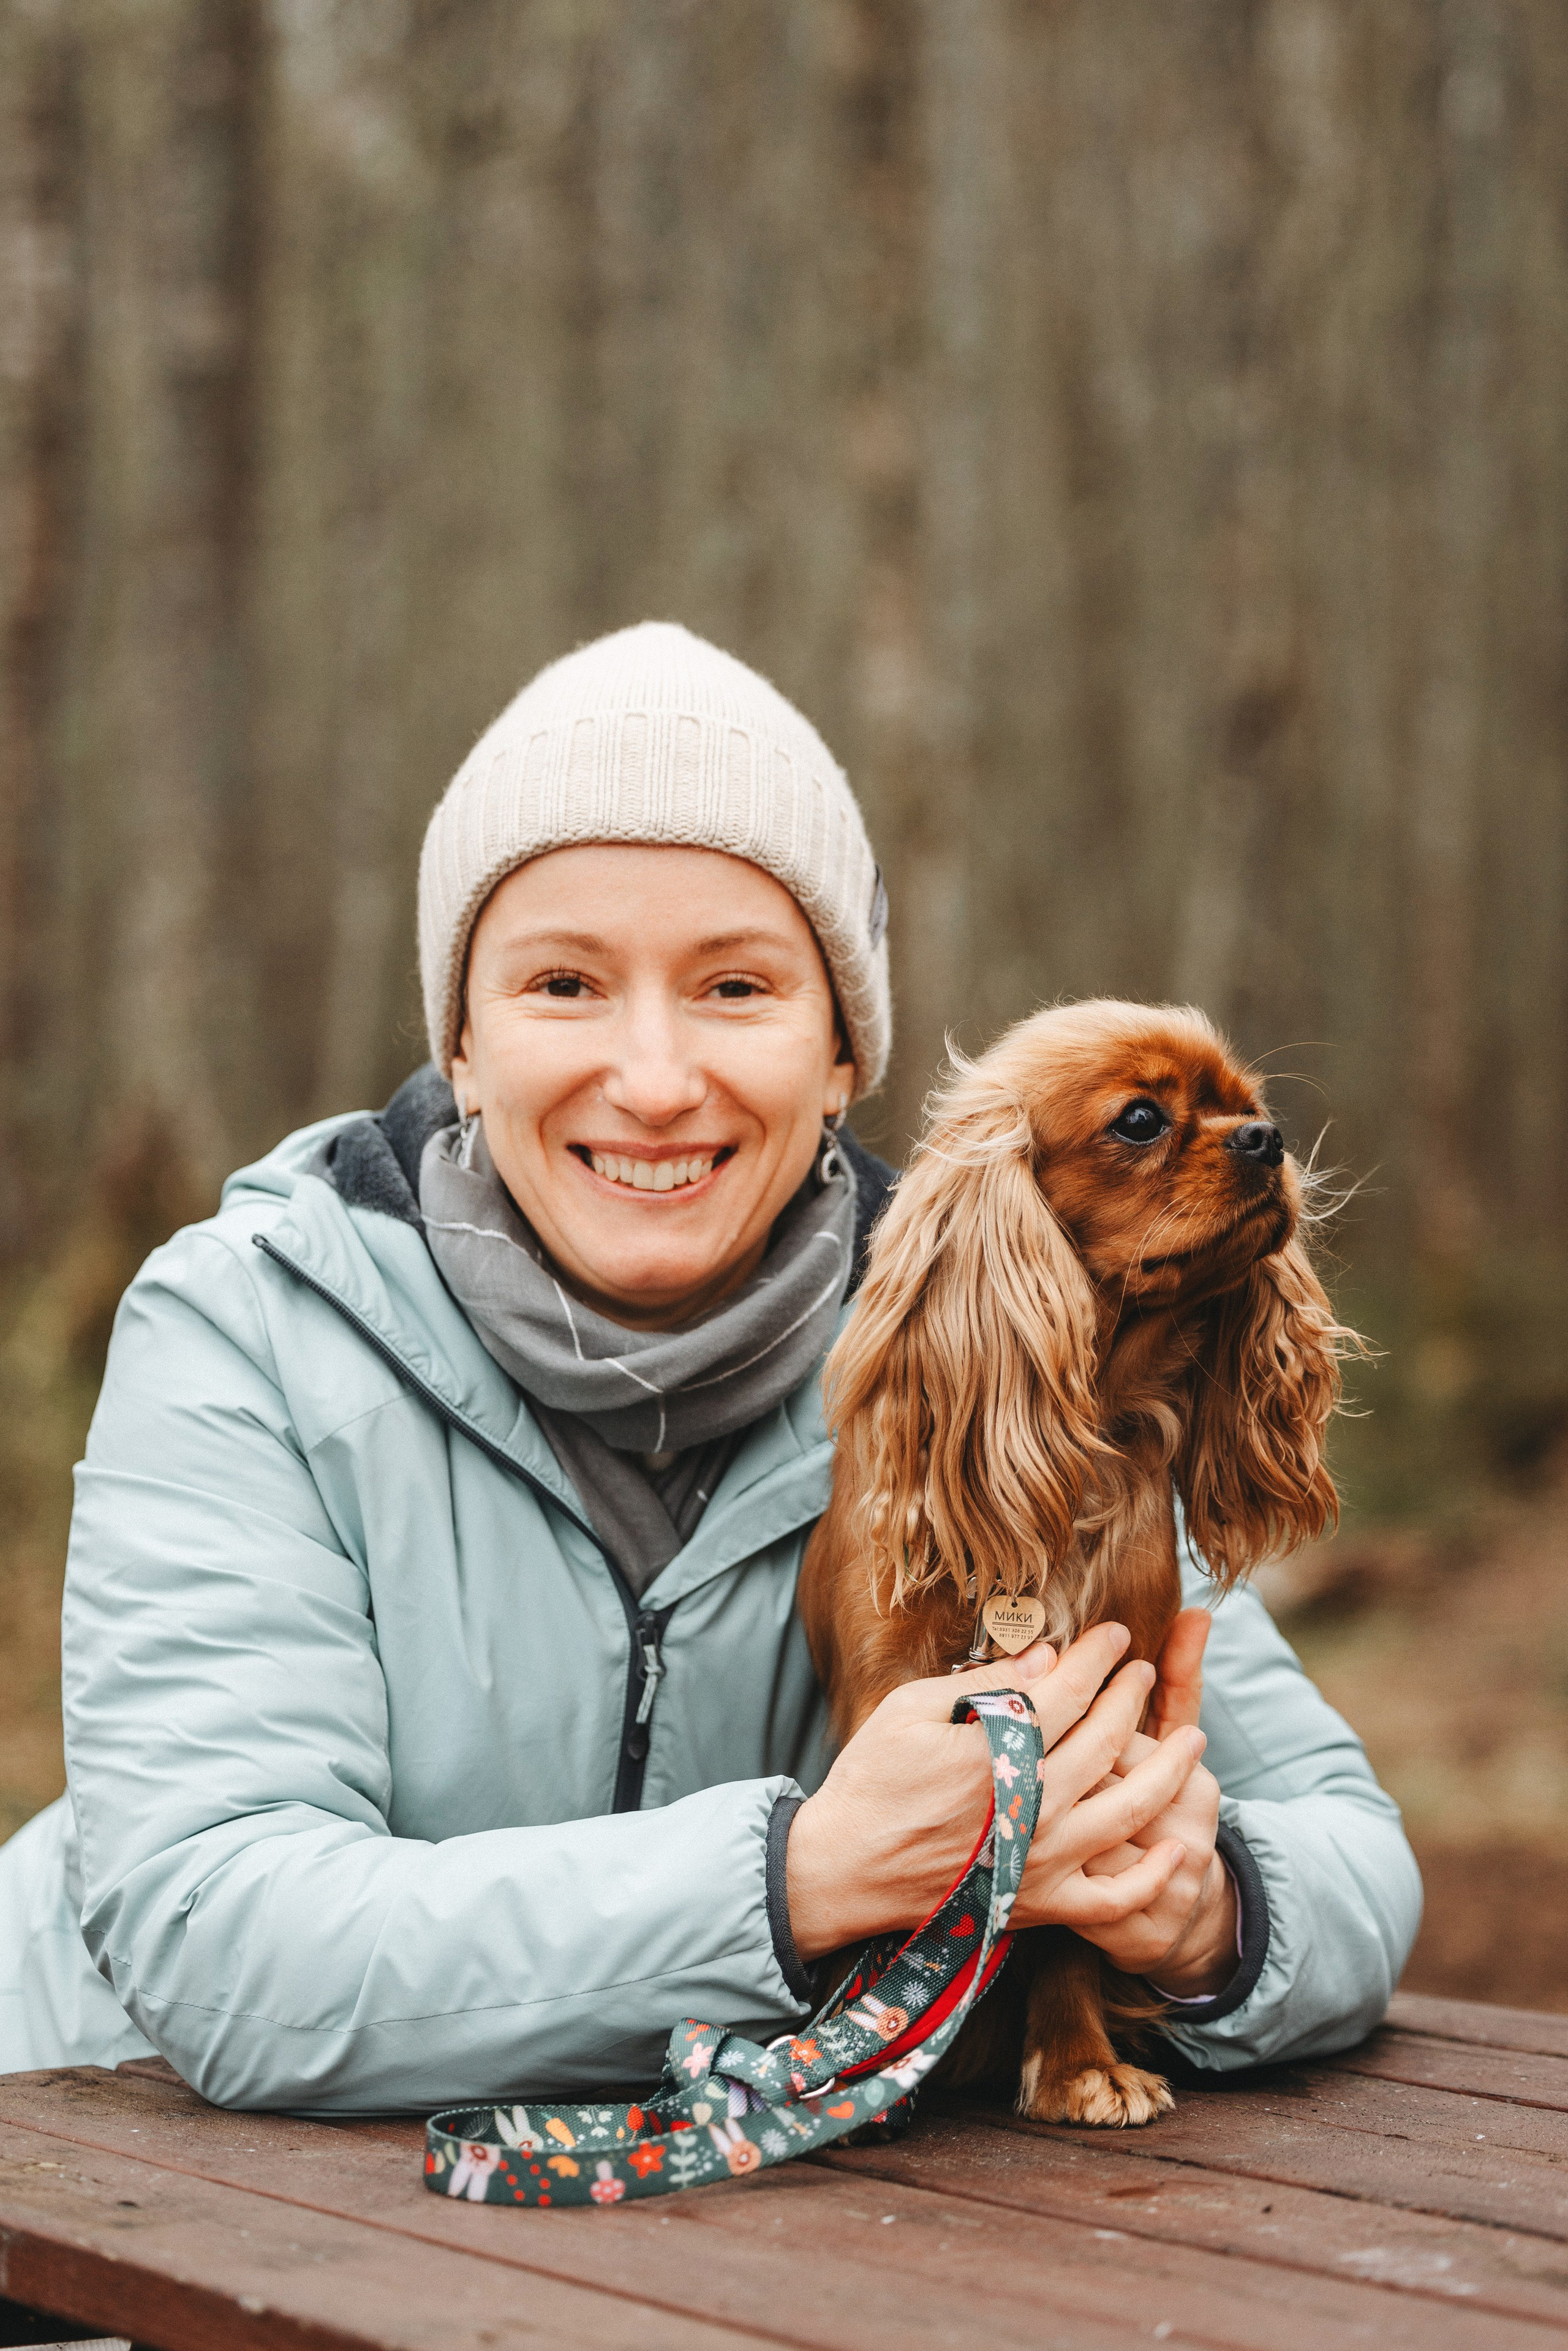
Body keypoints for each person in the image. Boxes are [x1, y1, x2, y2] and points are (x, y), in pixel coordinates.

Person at [0, 624, 1420, 2109]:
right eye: (562, 983)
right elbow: (219, 1949)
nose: (658, 1076)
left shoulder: (997, 1360)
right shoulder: (255, 1324)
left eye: (736, 987)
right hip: (87, 2183)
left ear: (838, 1055)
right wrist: (800, 1879)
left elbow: (1345, 1850)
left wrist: (1201, 1917)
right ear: (463, 1042)